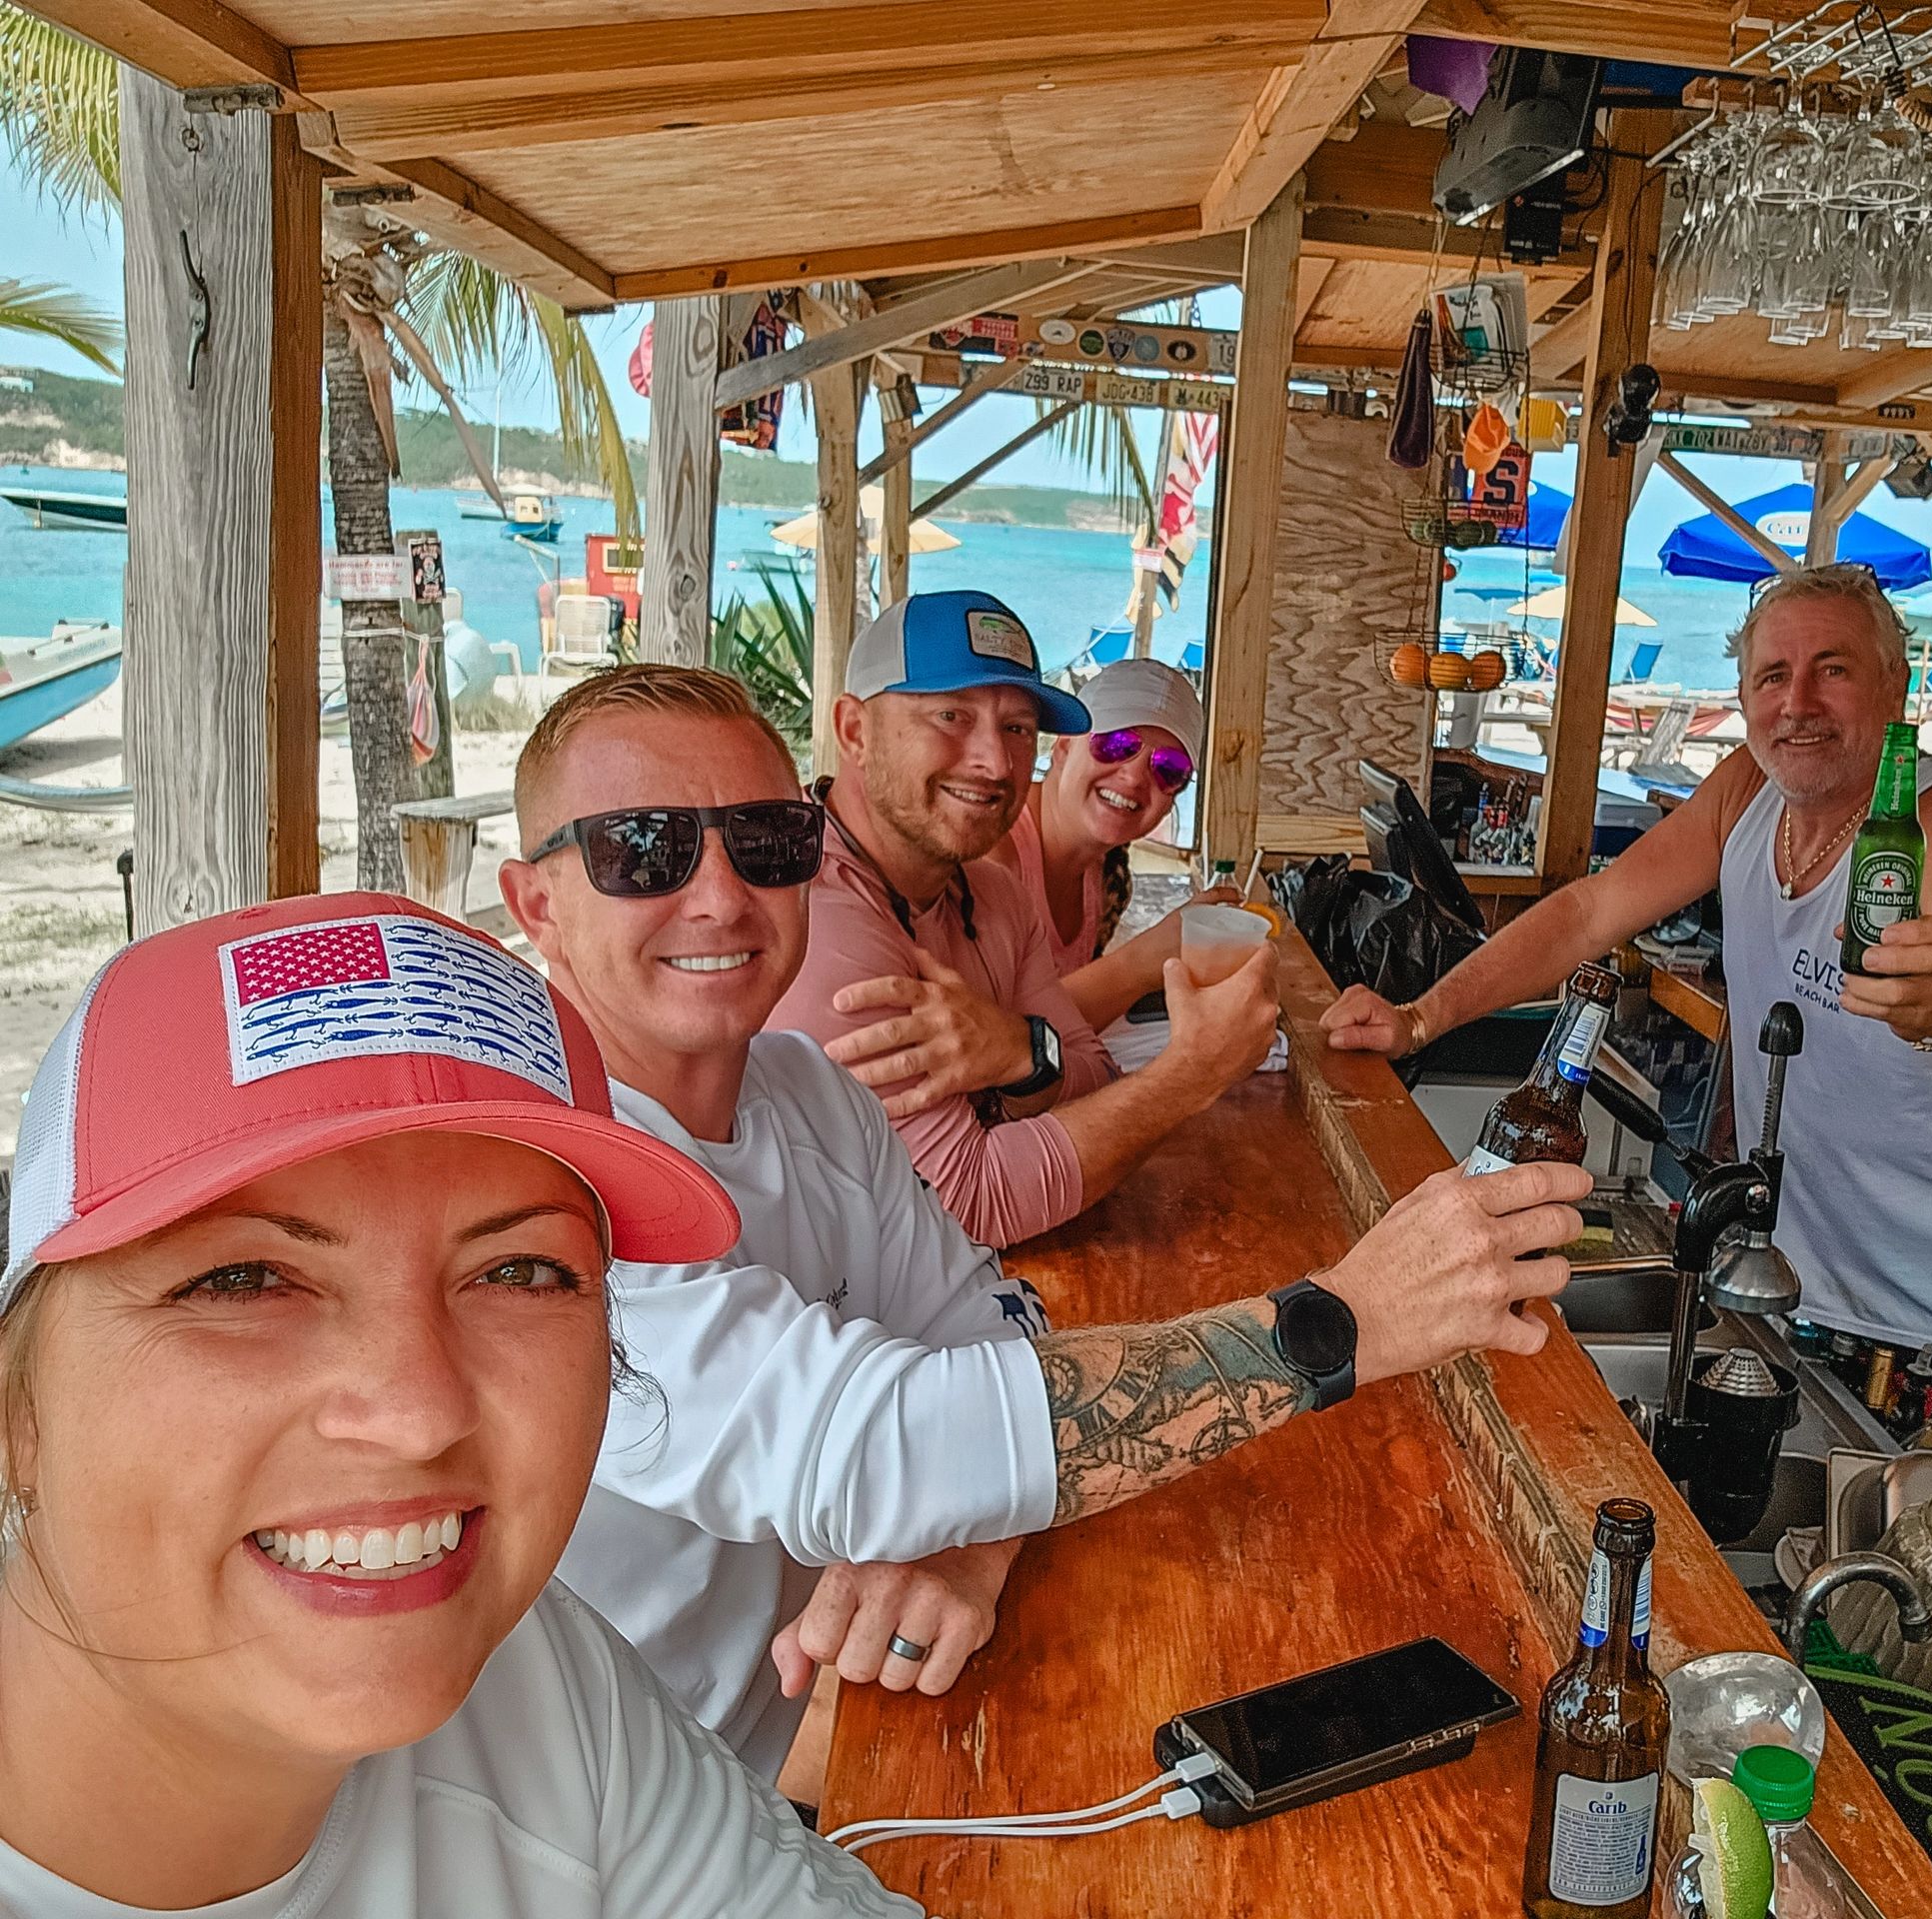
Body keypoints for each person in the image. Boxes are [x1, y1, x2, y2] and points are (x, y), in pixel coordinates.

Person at [499, 663, 1591, 1789]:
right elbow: (869, 1444)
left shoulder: (799, 1088)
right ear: (535, 903)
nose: (722, 896)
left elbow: (991, 1316)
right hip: (643, 1825)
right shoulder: (538, 1188)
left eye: (768, 840)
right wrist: (1345, 1320)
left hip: (826, 1734)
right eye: (645, 849)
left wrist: (976, 1536)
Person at [0, 893, 921, 1917]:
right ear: (16, 1411)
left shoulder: (534, 1680)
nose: (419, 1414)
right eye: (242, 1281)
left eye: (520, 1271)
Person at [1323, 565, 1932, 1467]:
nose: (1798, 702)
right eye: (1773, 676)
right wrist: (1420, 1019)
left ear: (1896, 687)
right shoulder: (1746, 793)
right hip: (1810, 1283)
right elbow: (1588, 912)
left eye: (1834, 669)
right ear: (1740, 697)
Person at [769, 590, 1275, 1247]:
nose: (995, 761)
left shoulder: (990, 891)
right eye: (951, 715)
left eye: (1015, 728)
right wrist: (1193, 1073)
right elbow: (964, 1209)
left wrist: (1022, 1053)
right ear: (854, 731)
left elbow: (1094, 1073)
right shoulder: (815, 911)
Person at [980, 656, 1232, 1032]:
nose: (1133, 777)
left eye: (1168, 768)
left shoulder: (1107, 878)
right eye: (1116, 744)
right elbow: (990, 1042)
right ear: (1063, 748)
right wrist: (1142, 964)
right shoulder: (990, 855)